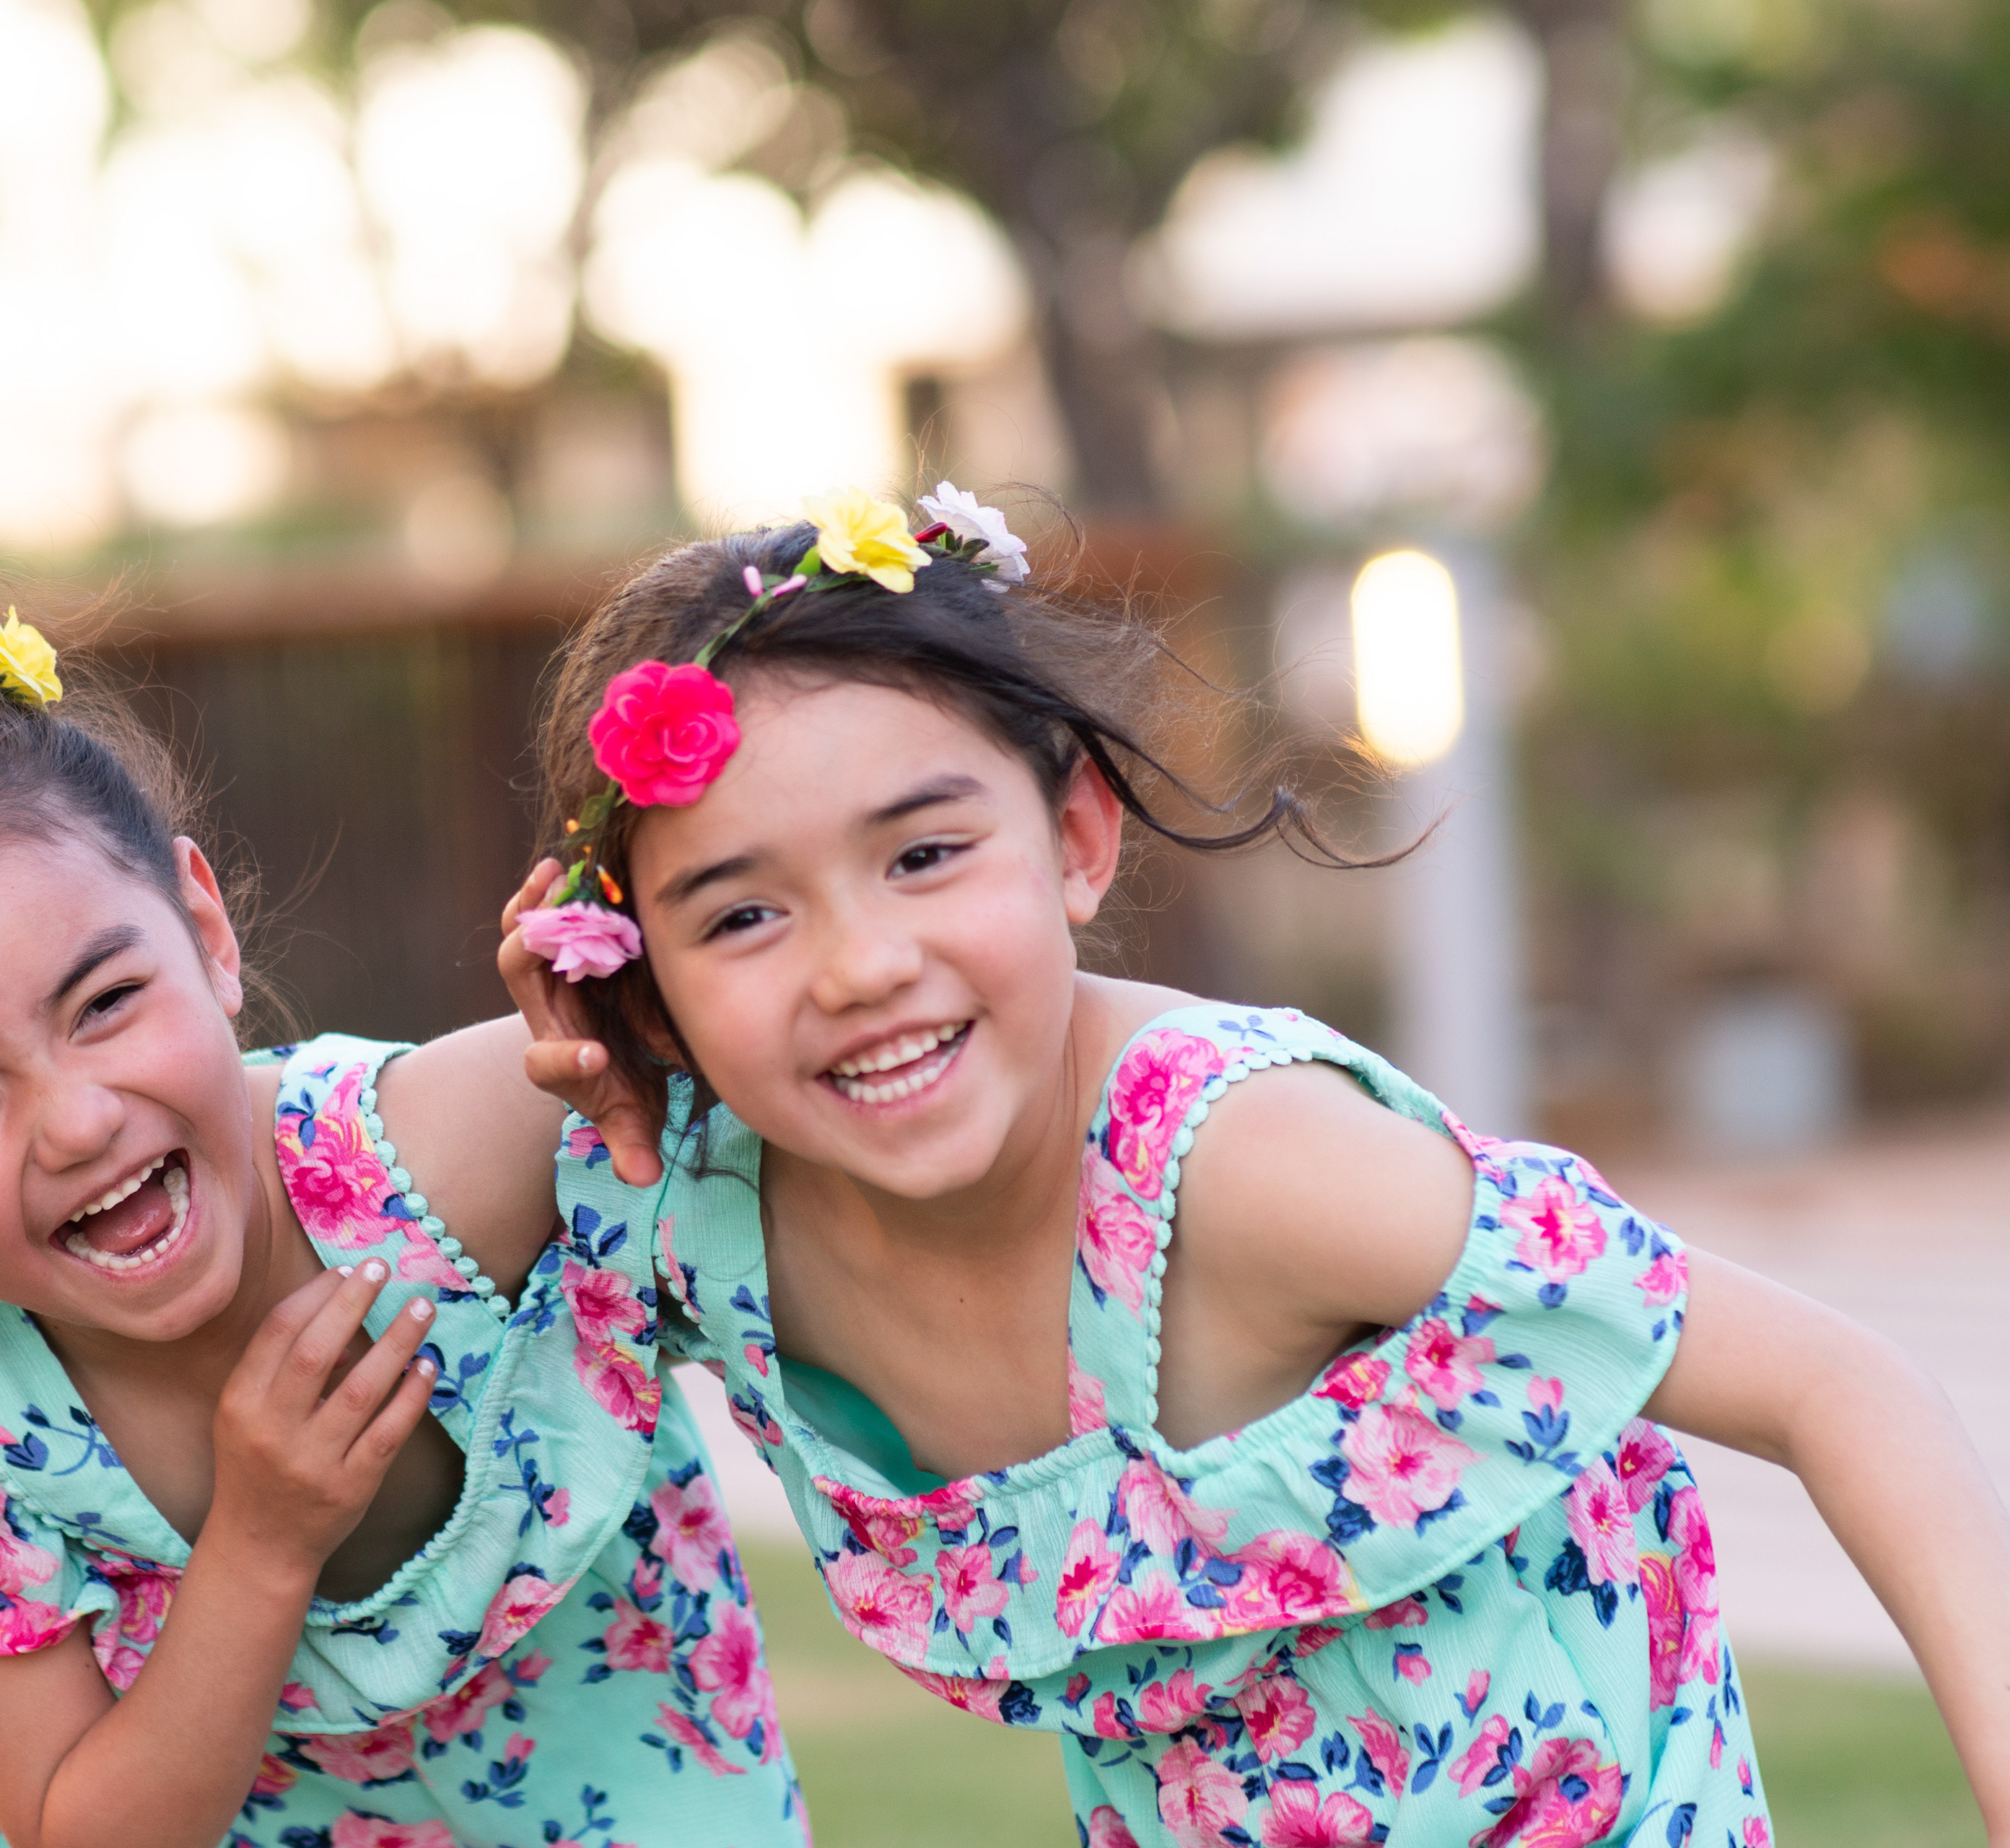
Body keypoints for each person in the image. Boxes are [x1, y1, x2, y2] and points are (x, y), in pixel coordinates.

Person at [498, 486, 2010, 1845]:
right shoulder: (702, 1212)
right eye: (742, 917)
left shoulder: (1247, 1164)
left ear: (1076, 836)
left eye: (924, 855)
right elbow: (377, 1186)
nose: (860, 966)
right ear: (640, 979)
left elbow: (1842, 1385)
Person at [0, 607, 804, 1848]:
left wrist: (635, 1014)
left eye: (105, 1002)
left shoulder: (466, 1157)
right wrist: (260, 1543)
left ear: (205, 932)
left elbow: (781, 1087)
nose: (78, 1123)